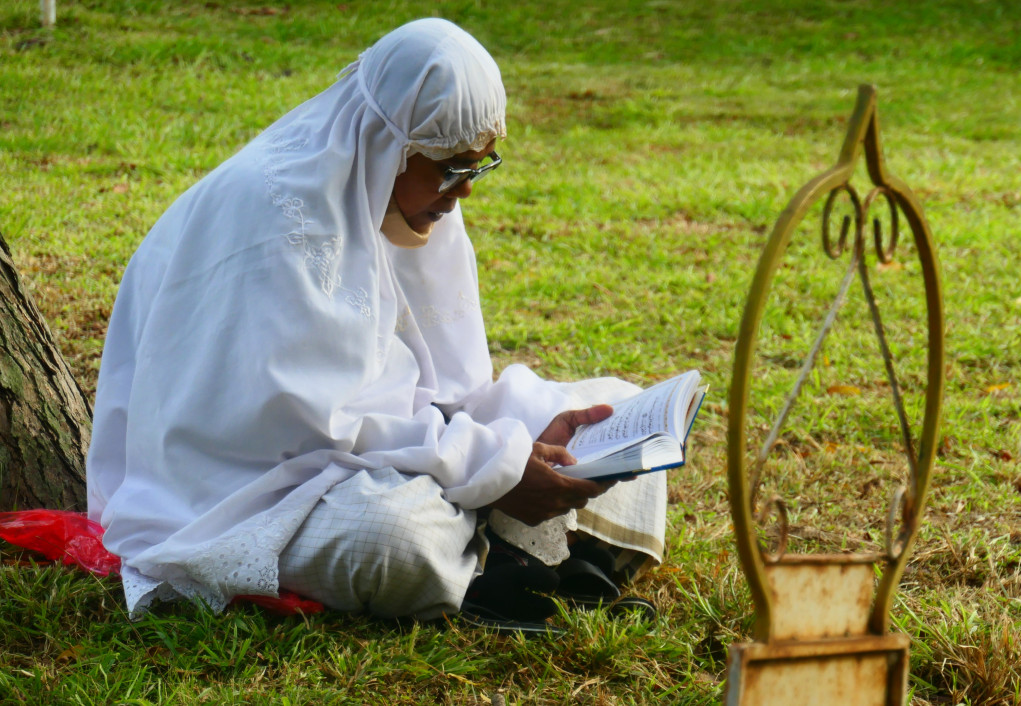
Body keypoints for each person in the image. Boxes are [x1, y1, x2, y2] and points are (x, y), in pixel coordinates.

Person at [86, 18, 666, 625]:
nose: (464, 191)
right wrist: (491, 467)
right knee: (396, 534)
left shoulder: (413, 194)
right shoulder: (272, 217)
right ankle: (516, 567)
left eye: (480, 167)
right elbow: (316, 430)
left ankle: (517, 567)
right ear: (390, 146)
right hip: (253, 489)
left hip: (390, 452)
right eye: (451, 167)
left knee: (623, 414)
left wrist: (525, 428)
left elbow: (446, 391)